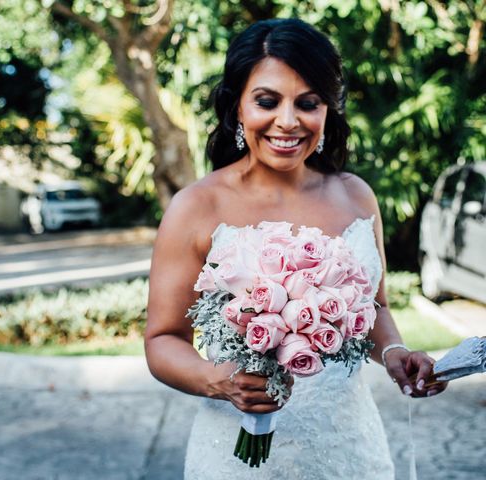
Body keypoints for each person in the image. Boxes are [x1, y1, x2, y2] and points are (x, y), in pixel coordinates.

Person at [144, 18, 448, 479]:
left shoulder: (356, 196)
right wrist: (220, 382)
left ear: (327, 111)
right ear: (237, 108)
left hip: (350, 447)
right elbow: (162, 340)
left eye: (308, 104)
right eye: (268, 101)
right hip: (236, 455)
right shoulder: (196, 207)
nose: (288, 121)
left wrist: (393, 353)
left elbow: (375, 307)